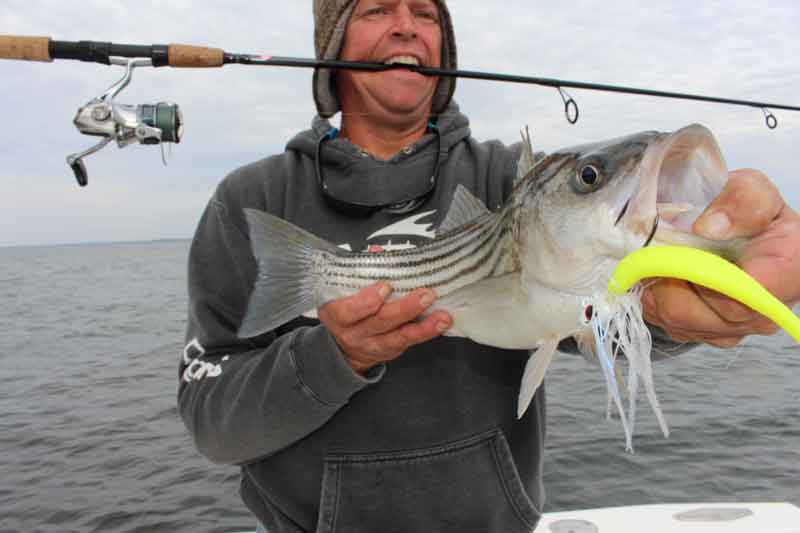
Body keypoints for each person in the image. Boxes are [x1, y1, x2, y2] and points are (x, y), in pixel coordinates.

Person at [178, 1, 800, 531]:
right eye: (376, 8)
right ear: (332, 46)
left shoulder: (513, 179)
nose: (406, 25)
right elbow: (212, 422)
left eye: (425, 11)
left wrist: (684, 293)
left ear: (444, 46)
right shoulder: (250, 201)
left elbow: (599, 305)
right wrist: (333, 358)